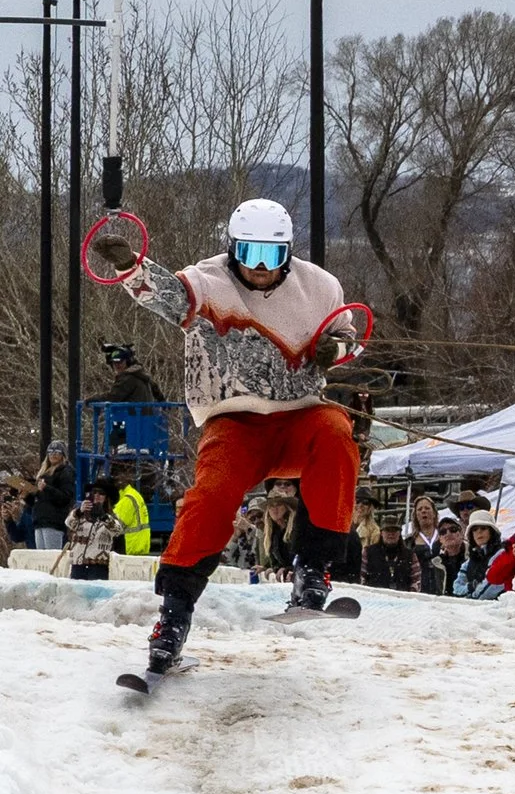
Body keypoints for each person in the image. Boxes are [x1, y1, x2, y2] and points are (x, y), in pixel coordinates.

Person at [91, 198, 366, 674]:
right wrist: (130, 267)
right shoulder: (209, 280)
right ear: (232, 249)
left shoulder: (320, 286)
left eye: (272, 256)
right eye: (249, 253)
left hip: (300, 416)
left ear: (288, 254)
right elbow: (167, 295)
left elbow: (350, 335)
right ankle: (173, 618)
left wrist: (335, 348)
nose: (259, 268)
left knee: (338, 435)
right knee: (211, 497)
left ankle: (313, 570)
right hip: (234, 421)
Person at [62, 483, 123, 581]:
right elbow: (68, 523)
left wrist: (104, 517)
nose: (97, 496)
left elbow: (118, 530)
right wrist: (79, 511)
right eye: (94, 492)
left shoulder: (111, 518)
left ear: (106, 498)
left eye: (101, 493)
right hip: (78, 564)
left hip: (98, 567)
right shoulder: (79, 516)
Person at [26, 442, 72, 550]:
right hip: (39, 520)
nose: (53, 454)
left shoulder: (66, 472)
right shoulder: (43, 474)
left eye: (57, 452)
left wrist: (47, 488)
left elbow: (66, 498)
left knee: (51, 557)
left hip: (54, 521)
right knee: (42, 559)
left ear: (63, 455)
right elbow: (36, 502)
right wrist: (27, 495)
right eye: (51, 452)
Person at [107, 453, 152, 555]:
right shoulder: (134, 495)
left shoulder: (127, 500)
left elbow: (113, 527)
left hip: (130, 548)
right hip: (139, 547)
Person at [452, 512, 504, 598]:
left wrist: (471, 596)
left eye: (483, 528)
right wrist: (470, 587)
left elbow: (490, 589)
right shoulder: (468, 562)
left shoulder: (501, 554)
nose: (479, 532)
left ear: (491, 532)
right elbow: (456, 588)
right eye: (475, 529)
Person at [362, 520, 421, 593]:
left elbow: (416, 581)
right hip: (373, 599)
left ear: (399, 533)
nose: (391, 534)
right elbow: (361, 578)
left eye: (394, 531)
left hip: (403, 600)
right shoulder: (368, 552)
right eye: (387, 530)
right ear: (381, 533)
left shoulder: (411, 555)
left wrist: (410, 595)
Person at [99, 342, 166, 404]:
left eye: (120, 362)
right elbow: (156, 391)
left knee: (104, 415)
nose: (117, 365)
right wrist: (164, 404)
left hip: (131, 415)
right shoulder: (141, 375)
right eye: (114, 362)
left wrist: (91, 399)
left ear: (127, 362)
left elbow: (112, 397)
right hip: (144, 415)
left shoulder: (128, 378)